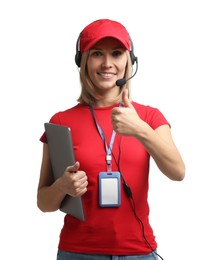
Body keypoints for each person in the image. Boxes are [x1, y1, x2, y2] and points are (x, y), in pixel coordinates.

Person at [37, 19, 185, 260]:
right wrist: (62, 187)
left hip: (139, 252)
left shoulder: (148, 116)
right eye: (97, 53)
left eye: (116, 53)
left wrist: (141, 130)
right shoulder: (61, 121)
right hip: (79, 253)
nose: (107, 64)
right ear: (83, 61)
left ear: (129, 60)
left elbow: (178, 172)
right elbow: (43, 202)